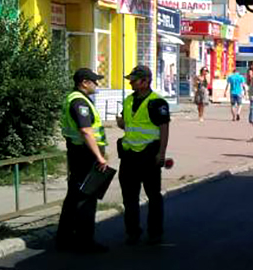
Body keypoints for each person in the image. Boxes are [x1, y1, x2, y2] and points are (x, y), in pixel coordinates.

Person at [55, 68, 109, 254]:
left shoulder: (74, 98)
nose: (97, 84)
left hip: (77, 153)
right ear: (84, 82)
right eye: (94, 81)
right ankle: (84, 241)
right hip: (86, 155)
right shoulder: (79, 102)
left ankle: (64, 237)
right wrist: (100, 157)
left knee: (74, 196)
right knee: (86, 197)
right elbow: (86, 131)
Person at [117, 64, 170, 246]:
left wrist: (161, 153)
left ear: (146, 81)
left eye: (134, 80)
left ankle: (155, 233)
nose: (131, 83)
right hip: (129, 155)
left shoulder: (157, 102)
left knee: (153, 195)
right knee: (129, 197)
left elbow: (164, 129)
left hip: (149, 154)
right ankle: (132, 233)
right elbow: (127, 124)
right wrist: (121, 123)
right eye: (130, 80)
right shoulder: (129, 100)